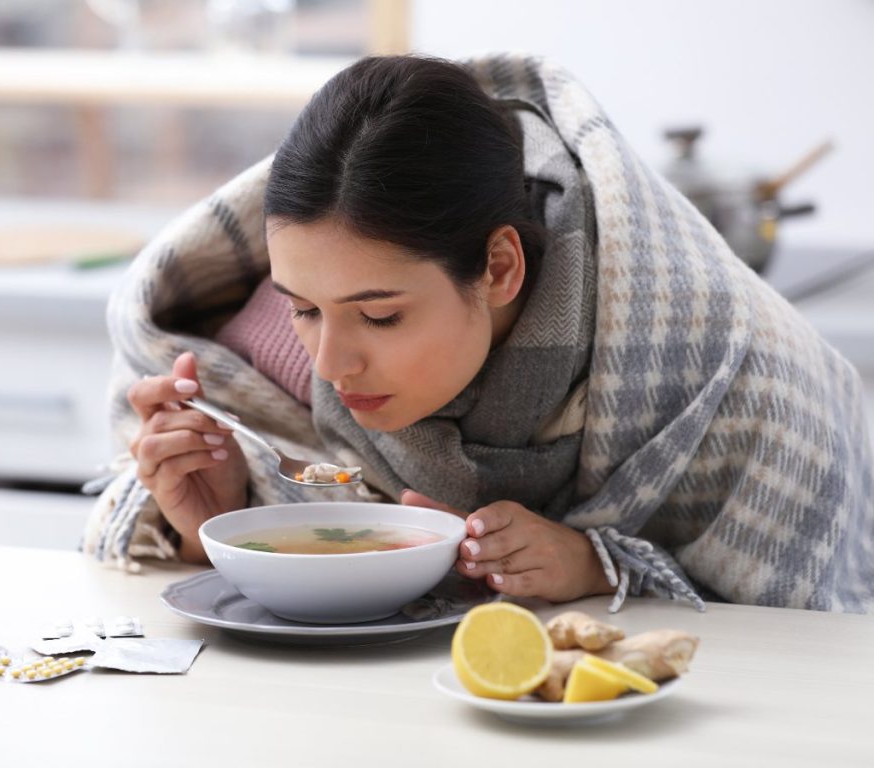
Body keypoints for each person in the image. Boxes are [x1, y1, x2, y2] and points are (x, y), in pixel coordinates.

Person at [84, 54, 874, 614]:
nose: (330, 362)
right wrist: (208, 528)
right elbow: (172, 567)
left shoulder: (726, 366)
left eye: (382, 314)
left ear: (499, 267)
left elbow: (815, 629)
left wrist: (599, 566)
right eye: (304, 306)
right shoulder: (255, 355)